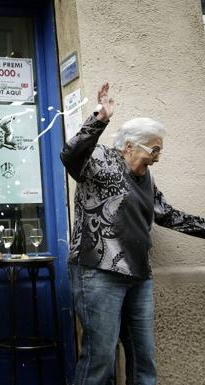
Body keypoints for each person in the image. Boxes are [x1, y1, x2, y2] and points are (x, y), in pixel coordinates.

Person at [61, 82, 205, 385]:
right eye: (154, 149)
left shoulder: (146, 178)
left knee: (143, 359)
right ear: (129, 146)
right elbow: (70, 154)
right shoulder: (100, 159)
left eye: (159, 150)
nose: (157, 157)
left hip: (138, 276)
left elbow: (169, 215)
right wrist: (99, 119)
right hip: (98, 272)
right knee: (101, 359)